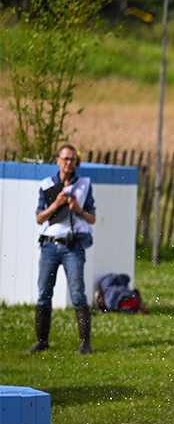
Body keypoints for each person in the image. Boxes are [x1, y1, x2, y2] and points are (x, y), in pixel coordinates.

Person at [28, 144, 96, 354]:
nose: (69, 163)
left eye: (72, 159)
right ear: (57, 160)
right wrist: (56, 205)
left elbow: (92, 218)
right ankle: (41, 341)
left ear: (76, 162)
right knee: (44, 293)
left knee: (78, 294)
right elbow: (39, 218)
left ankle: (84, 344)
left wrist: (78, 210)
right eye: (65, 159)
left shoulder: (84, 184)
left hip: (72, 245)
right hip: (49, 245)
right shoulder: (47, 184)